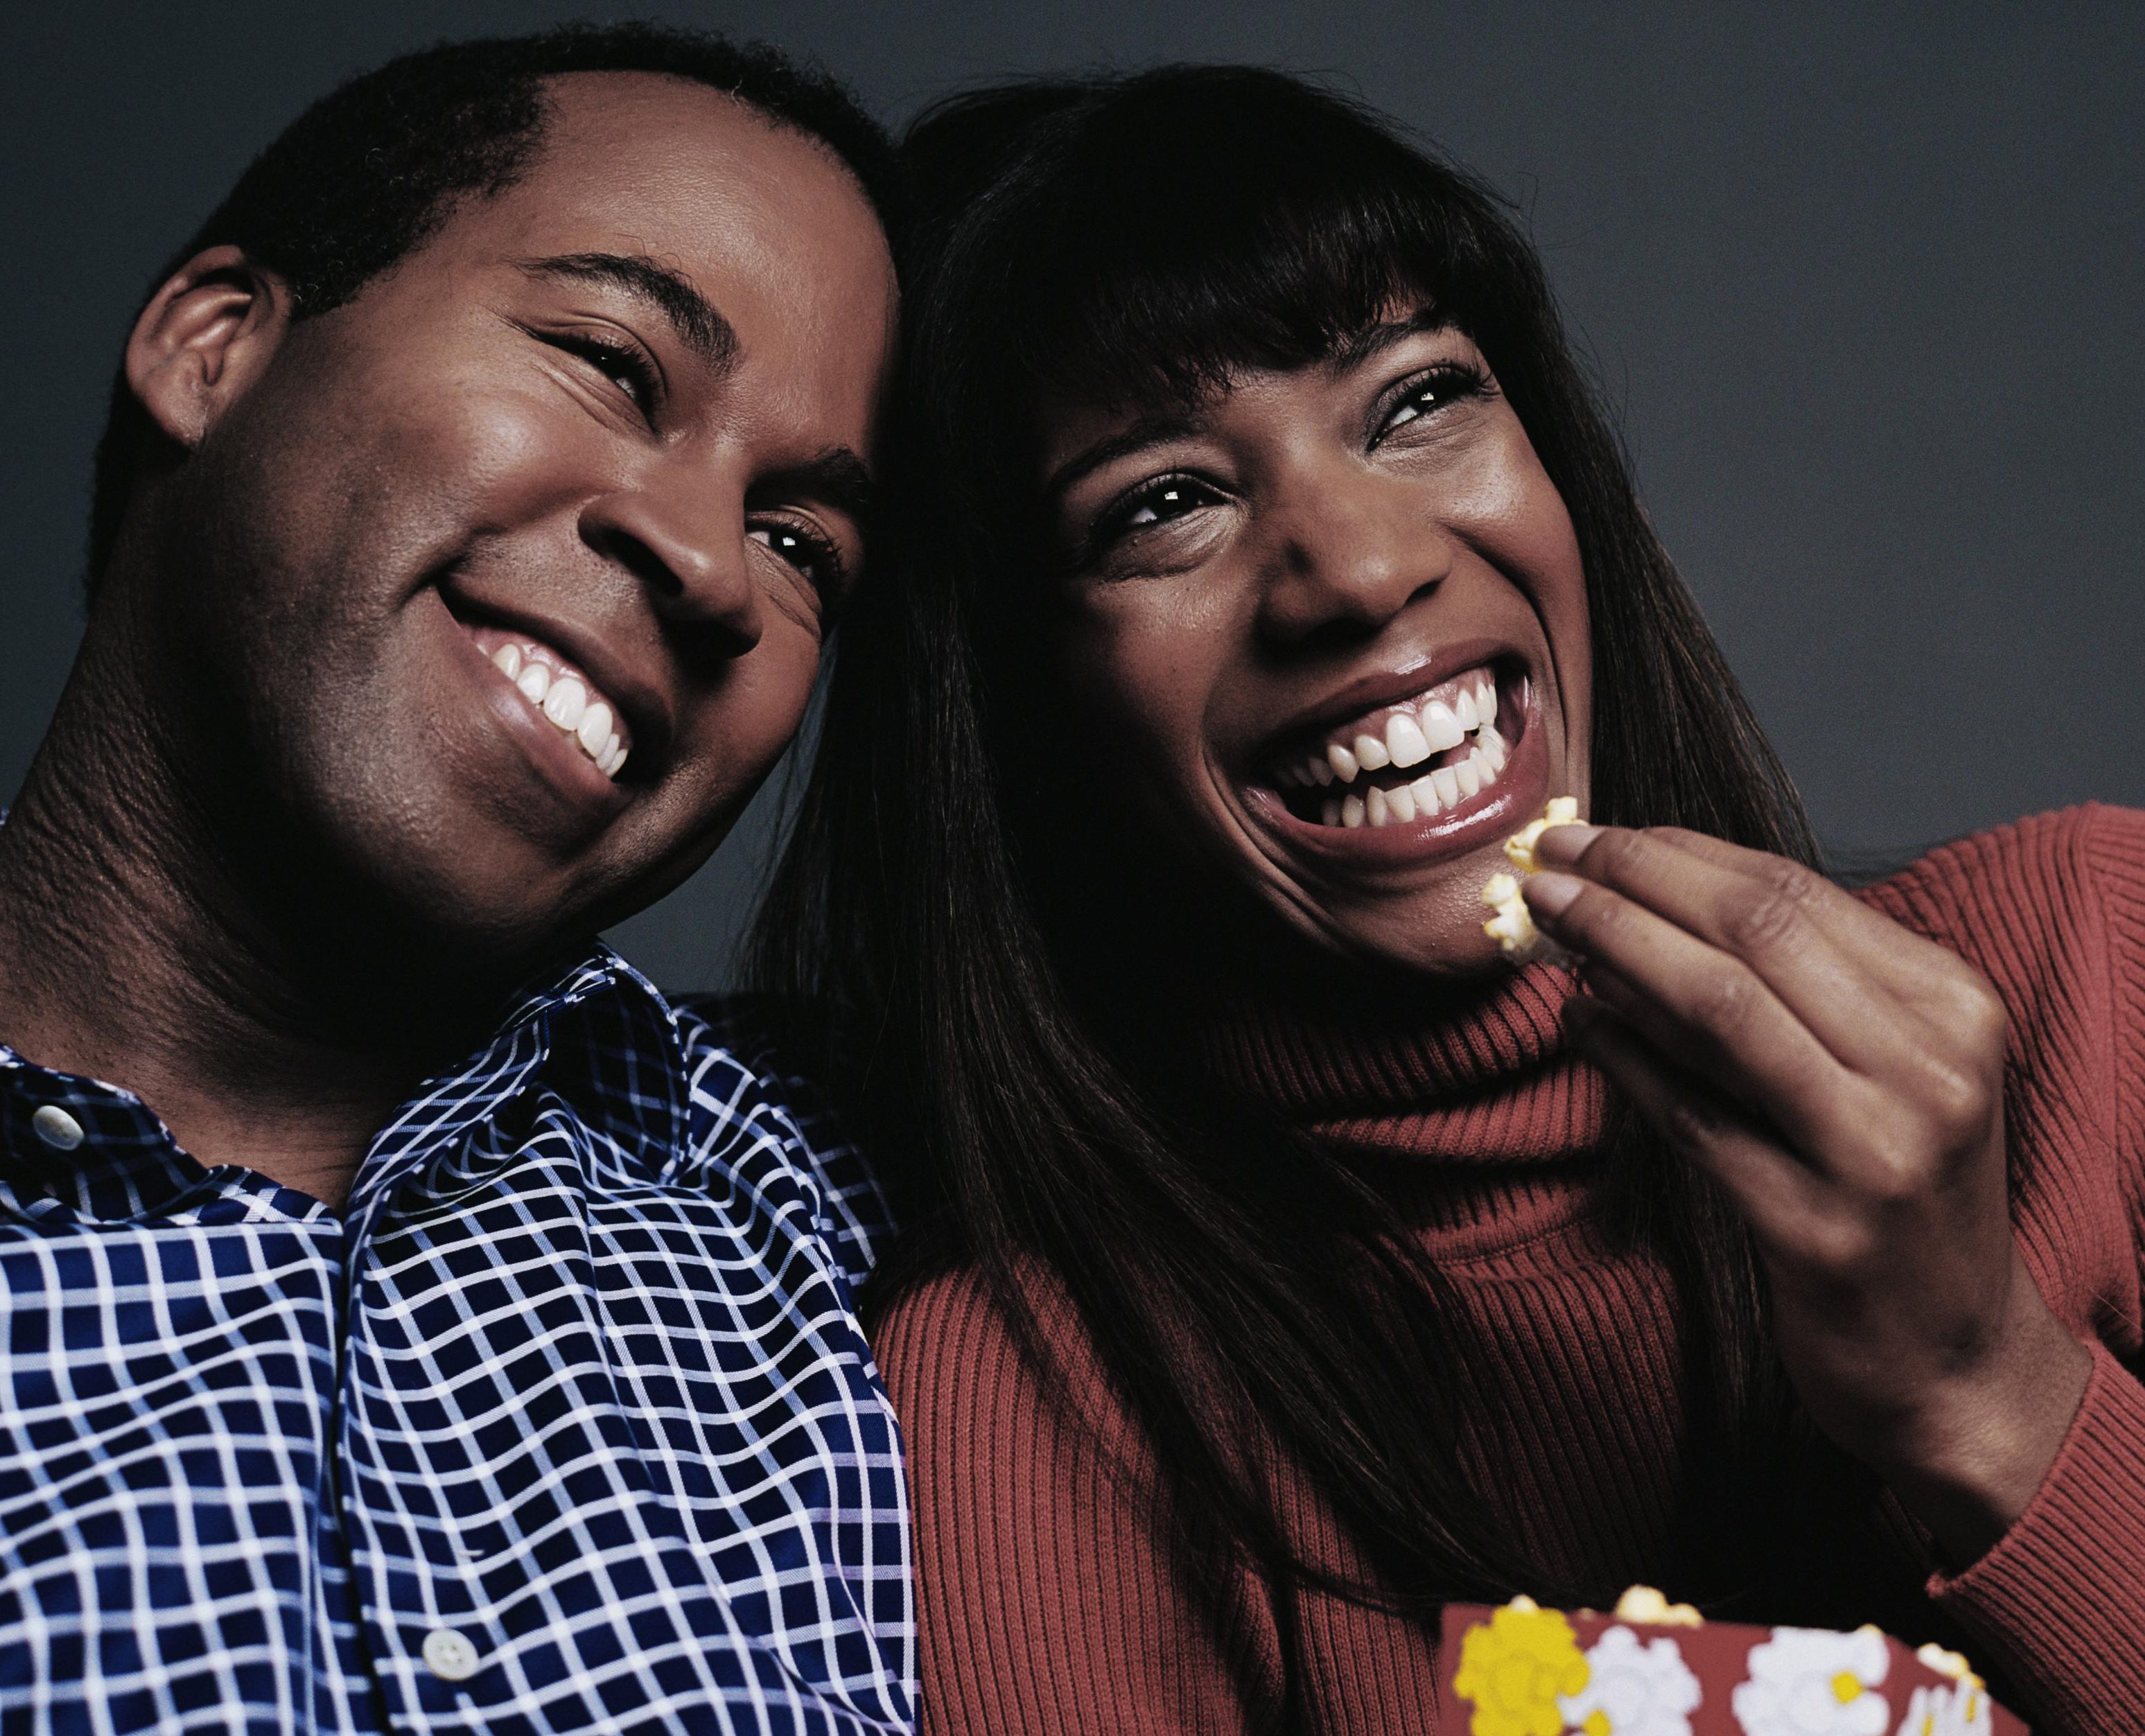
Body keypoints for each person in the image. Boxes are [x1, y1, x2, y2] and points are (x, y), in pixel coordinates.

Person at [750, 67, 2145, 1735]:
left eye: (1417, 400)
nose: (1358, 562)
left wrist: (1990, 1388)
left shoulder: (2097, 964)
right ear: (1014, 720)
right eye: (1164, 502)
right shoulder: (1035, 1408)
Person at [0, 26, 911, 1734]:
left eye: (806, 547)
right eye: (612, 363)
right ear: (215, 351)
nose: (717, 566)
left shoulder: (845, 1201)